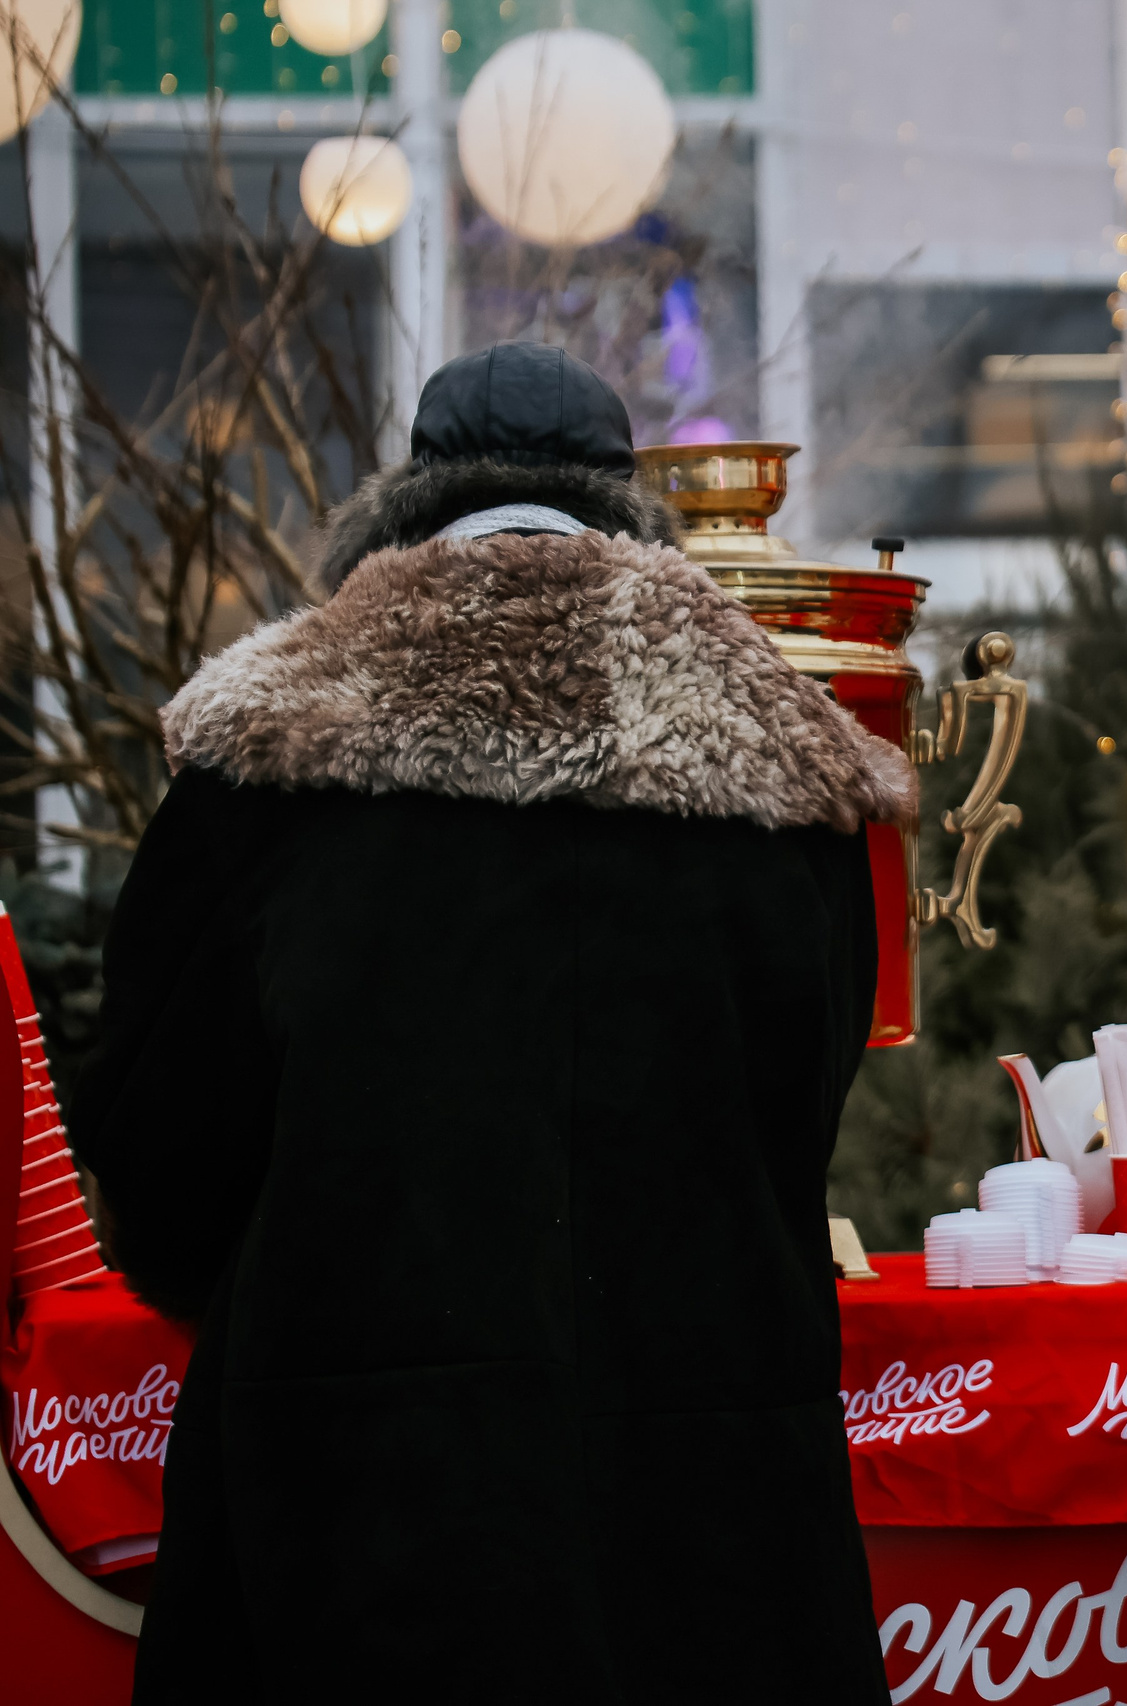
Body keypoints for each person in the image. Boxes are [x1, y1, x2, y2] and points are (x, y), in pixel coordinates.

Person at [66, 343, 913, 1703]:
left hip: (353, 1491)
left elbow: (156, 1130)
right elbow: (798, 1107)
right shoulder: (785, 754)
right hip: (702, 1488)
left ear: (405, 500)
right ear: (626, 506)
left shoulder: (261, 755)